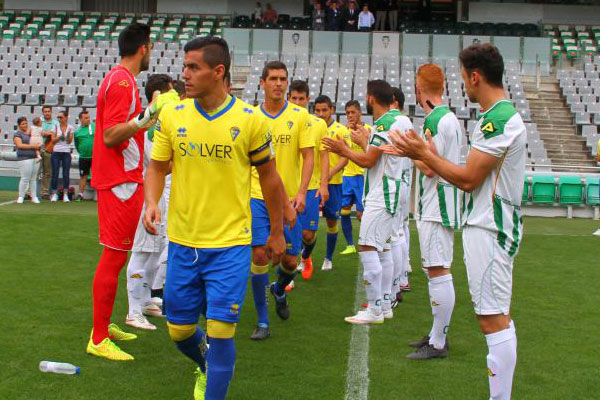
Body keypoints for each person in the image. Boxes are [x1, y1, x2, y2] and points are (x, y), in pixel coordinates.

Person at [144, 36, 285, 400]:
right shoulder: (173, 115)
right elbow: (157, 167)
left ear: (218, 71)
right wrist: (151, 202)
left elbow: (270, 179)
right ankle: (205, 362)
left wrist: (276, 232)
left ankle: (215, 379)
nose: (184, 75)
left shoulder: (249, 120)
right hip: (183, 243)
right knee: (179, 331)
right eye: (185, 66)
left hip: (229, 246)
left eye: (193, 67)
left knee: (221, 332)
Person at [389, 43, 525, 400]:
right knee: (494, 316)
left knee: (492, 319)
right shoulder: (494, 117)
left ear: (475, 76)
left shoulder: (498, 119)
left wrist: (421, 154)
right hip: (486, 224)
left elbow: (468, 178)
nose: (463, 84)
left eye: (464, 77)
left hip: (490, 227)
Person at [87, 23, 164, 361]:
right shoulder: (122, 81)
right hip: (119, 180)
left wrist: (143, 122)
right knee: (113, 256)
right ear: (144, 48)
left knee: (117, 257)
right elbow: (109, 136)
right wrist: (143, 119)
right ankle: (99, 337)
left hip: (122, 177)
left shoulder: (121, 79)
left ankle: (102, 326)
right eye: (151, 46)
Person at [324, 80, 412, 324]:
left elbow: (368, 161)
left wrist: (344, 149)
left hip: (383, 192)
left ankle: (374, 307)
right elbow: (381, 154)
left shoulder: (384, 123)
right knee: (383, 246)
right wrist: (366, 140)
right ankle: (384, 303)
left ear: (371, 98)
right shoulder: (402, 119)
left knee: (367, 246)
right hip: (397, 189)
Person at [249, 61, 313, 340]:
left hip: (289, 199)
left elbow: (308, 156)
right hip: (256, 196)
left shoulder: (300, 116)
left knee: (289, 261)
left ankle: (278, 290)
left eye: (283, 79)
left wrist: (301, 192)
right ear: (262, 83)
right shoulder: (250, 117)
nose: (278, 83)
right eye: (273, 78)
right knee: (260, 254)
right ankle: (262, 321)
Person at [402, 64, 462, 360]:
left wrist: (409, 152)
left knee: (438, 270)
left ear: (418, 87)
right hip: (443, 202)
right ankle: (438, 333)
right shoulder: (448, 117)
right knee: (434, 269)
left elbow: (428, 167)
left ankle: (438, 342)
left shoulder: (435, 120)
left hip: (436, 204)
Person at [125, 73, 179, 331]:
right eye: (171, 93)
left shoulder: (161, 123)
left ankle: (145, 301)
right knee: (143, 250)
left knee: (157, 249)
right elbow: (157, 167)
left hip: (163, 195)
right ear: (158, 97)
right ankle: (133, 311)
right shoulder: (150, 127)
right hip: (149, 197)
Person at [288, 80, 330, 282]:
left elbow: (324, 155)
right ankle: (289, 274)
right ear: (288, 98)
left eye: (301, 99)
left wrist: (323, 184)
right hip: (288, 187)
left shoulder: (318, 124)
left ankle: (306, 256)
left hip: (311, 187)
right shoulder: (280, 121)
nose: (297, 102)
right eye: (294, 98)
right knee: (290, 233)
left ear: (307, 100)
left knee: (308, 234)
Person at [314, 95, 350, 271]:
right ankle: (303, 258)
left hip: (333, 183)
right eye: (317, 110)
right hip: (312, 184)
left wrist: (329, 174)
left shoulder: (341, 130)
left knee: (331, 221)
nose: (321, 114)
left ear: (332, 110)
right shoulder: (311, 128)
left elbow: (346, 157)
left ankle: (328, 258)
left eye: (324, 110)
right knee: (306, 225)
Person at [339, 100, 370, 255]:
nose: (350, 115)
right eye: (347, 113)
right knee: (344, 211)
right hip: (347, 176)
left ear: (360, 113)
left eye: (353, 112)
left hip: (362, 177)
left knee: (360, 214)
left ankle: (367, 242)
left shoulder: (368, 130)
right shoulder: (343, 131)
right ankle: (350, 244)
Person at [13, 117, 41, 204]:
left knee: (33, 179)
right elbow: (20, 145)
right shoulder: (17, 134)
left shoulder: (30, 133)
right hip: (24, 158)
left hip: (34, 157)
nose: (25, 125)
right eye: (23, 124)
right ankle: (21, 196)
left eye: (26, 123)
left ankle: (34, 196)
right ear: (19, 125)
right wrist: (33, 146)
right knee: (25, 178)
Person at [49, 110, 74, 203]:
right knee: (55, 173)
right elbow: (53, 141)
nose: (59, 119)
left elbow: (69, 141)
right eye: (58, 117)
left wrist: (67, 136)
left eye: (61, 117)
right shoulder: (55, 127)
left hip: (66, 152)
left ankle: (66, 194)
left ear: (66, 117)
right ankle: (54, 193)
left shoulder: (70, 127)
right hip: (56, 151)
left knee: (66, 173)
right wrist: (60, 136)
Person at [73, 110, 94, 201]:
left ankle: (100, 195)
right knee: (83, 176)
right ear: (81, 119)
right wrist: (82, 152)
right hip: (84, 157)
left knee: (99, 175)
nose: (88, 119)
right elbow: (77, 145)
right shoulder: (77, 132)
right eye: (86, 118)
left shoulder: (95, 127)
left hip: (95, 157)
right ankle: (80, 194)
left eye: (88, 117)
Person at [40, 105, 58, 199]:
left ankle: (44, 192)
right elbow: (39, 132)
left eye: (48, 111)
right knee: (35, 171)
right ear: (43, 112)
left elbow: (55, 134)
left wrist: (45, 132)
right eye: (45, 111)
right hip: (38, 147)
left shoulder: (56, 123)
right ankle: (29, 192)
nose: (47, 113)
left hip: (49, 147)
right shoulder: (39, 121)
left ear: (51, 112)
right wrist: (49, 133)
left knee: (47, 172)